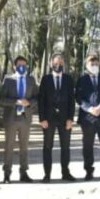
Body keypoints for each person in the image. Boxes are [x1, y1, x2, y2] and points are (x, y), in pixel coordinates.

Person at [75, 54, 100, 181]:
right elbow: (79, 98)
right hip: (87, 118)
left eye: (96, 64)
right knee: (87, 145)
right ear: (86, 66)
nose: (94, 66)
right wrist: (90, 109)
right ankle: (88, 171)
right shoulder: (82, 80)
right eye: (92, 64)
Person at [0, 56, 39, 183]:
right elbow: (1, 99)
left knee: (24, 146)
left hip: (25, 118)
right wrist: (15, 102)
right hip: (11, 118)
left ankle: (24, 172)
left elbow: (36, 97)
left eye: (24, 65)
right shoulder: (8, 80)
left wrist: (29, 103)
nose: (22, 67)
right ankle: (7, 173)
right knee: (9, 146)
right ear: (14, 66)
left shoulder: (31, 80)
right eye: (19, 65)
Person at [37, 54, 76, 183]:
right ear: (51, 64)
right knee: (47, 147)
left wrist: (70, 118)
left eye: (60, 63)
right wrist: (42, 118)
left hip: (65, 119)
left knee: (65, 147)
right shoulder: (46, 79)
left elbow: (72, 100)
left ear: (64, 64)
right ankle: (47, 174)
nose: (58, 65)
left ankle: (65, 173)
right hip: (48, 119)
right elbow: (41, 100)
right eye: (55, 63)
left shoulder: (68, 79)